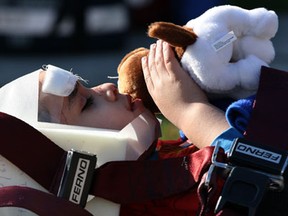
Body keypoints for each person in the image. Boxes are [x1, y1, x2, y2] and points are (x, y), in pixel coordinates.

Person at [0, 40, 232, 216]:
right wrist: (192, 112)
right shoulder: (149, 205)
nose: (108, 87)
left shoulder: (152, 173)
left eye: (88, 88)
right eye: (87, 103)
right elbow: (263, 178)